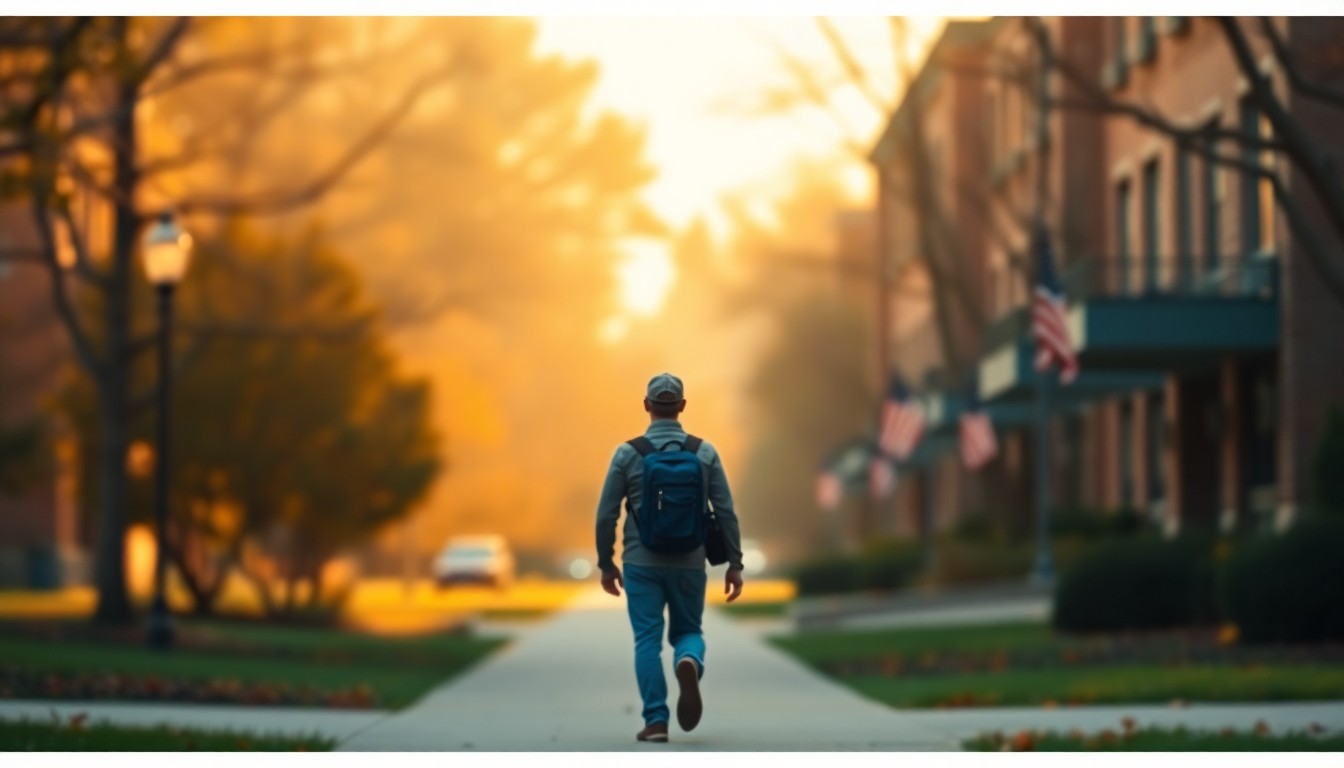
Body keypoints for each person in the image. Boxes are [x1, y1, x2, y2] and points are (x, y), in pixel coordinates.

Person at [595, 372, 745, 744]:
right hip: (690, 561)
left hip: (640, 562)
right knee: (688, 632)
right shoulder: (704, 452)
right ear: (681, 406)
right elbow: (725, 512)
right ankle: (688, 662)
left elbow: (606, 514)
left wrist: (605, 562)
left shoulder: (627, 453)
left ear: (647, 406)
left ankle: (656, 722)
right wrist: (735, 564)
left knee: (647, 639)